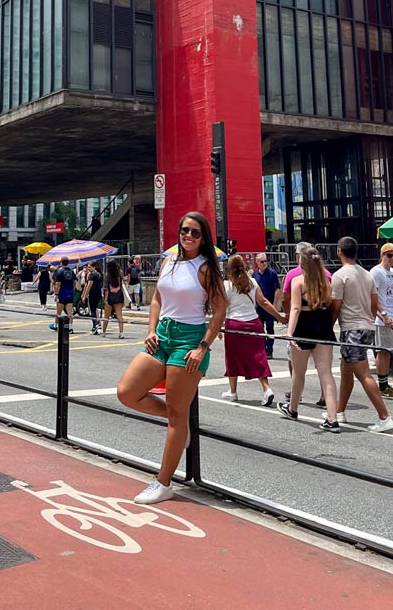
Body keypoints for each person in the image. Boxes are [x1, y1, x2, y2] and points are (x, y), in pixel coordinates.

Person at [117, 211, 227, 505]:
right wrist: (151, 329)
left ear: (203, 238)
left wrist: (202, 347)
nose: (188, 236)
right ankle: (179, 424)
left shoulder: (206, 269)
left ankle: (163, 483)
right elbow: (156, 299)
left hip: (189, 340)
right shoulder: (169, 261)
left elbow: (219, 310)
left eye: (194, 232)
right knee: (127, 392)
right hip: (162, 336)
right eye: (184, 230)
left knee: (178, 416)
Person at [331, 236, 393, 431]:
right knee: (346, 369)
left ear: (339, 251)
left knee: (363, 374)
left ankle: (384, 416)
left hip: (352, 328)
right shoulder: (367, 274)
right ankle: (339, 411)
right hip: (367, 325)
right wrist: (378, 315)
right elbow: (374, 302)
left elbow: (336, 306)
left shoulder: (340, 275)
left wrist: (328, 326)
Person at [279, 246, 340, 431]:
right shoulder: (326, 282)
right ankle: (332, 418)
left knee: (298, 372)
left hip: (304, 325)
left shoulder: (298, 281)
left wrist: (289, 332)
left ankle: (293, 408)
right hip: (322, 324)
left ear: (301, 261)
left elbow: (295, 309)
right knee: (326, 372)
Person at [221, 254, 282, 405]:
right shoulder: (253, 282)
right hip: (254, 322)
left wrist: (219, 327)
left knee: (232, 357)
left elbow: (222, 308)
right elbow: (263, 302)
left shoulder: (227, 285)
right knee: (258, 356)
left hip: (234, 324)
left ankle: (233, 391)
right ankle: (266, 389)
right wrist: (279, 317)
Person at [370, 243, 393, 397]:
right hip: (382, 318)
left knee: (392, 351)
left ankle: (387, 382)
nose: (392, 258)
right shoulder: (376, 272)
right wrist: (383, 314)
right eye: (389, 255)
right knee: (383, 351)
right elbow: (373, 295)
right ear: (382, 255)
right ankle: (382, 385)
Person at [253, 253, 280, 359]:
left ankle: (269, 350)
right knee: (259, 328)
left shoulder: (272, 273)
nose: (264, 263)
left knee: (270, 328)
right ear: (257, 263)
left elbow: (277, 290)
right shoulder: (255, 275)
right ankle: (261, 348)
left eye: (265, 261)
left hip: (269, 303)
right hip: (259, 305)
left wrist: (275, 305)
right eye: (262, 262)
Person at [49, 256, 76, 334]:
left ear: (61, 263)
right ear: (68, 262)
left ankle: (55, 325)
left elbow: (58, 284)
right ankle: (70, 327)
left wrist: (56, 294)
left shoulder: (60, 272)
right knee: (70, 313)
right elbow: (74, 282)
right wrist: (72, 290)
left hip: (62, 294)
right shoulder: (71, 271)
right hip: (70, 294)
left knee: (58, 312)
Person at [101, 261, 126, 338]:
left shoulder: (107, 276)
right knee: (119, 315)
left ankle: (104, 332)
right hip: (119, 295)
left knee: (106, 316)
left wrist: (105, 300)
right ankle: (121, 332)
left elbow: (106, 289)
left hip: (110, 297)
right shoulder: (119, 275)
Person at [81, 262, 104, 334]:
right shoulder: (99, 274)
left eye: (90, 267)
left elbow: (89, 285)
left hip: (93, 294)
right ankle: (98, 324)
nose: (88, 268)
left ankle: (95, 326)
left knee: (92, 311)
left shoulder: (92, 275)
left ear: (94, 267)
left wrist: (85, 295)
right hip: (98, 293)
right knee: (95, 309)